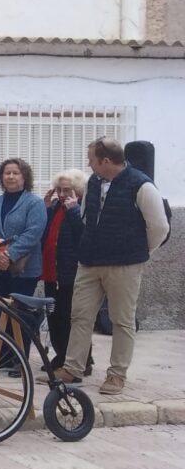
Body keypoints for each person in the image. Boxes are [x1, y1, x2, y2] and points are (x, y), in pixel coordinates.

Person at [60, 138, 170, 394]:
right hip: (90, 261)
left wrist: (140, 252)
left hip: (125, 264)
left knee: (121, 320)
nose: (89, 163)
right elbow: (87, 216)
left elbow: (159, 227)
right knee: (80, 315)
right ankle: (72, 368)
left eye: (92, 159)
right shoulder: (94, 182)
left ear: (106, 161)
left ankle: (117, 374)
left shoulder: (141, 184)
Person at [0, 158, 47, 376]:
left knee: (19, 314)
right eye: (7, 173)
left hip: (23, 269)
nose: (11, 177)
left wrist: (9, 254)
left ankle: (19, 359)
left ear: (25, 177)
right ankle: (2, 358)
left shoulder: (34, 203)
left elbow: (33, 233)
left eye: (16, 173)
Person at [41, 169, 88, 373]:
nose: (61, 195)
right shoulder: (56, 208)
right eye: (58, 190)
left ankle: (81, 359)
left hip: (71, 272)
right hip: (52, 270)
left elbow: (84, 237)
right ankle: (60, 355)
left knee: (69, 316)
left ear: (77, 190)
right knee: (54, 315)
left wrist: (74, 211)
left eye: (66, 190)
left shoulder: (82, 208)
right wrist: (46, 208)